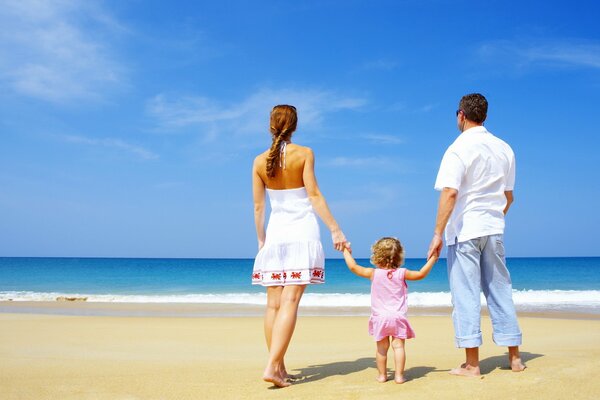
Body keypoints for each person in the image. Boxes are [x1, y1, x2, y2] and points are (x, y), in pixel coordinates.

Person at [427, 93, 526, 377]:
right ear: (484, 115)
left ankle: (472, 364)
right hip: (493, 228)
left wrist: (437, 233)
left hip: (464, 231)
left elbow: (450, 192)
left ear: (461, 115)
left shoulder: (457, 148)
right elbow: (509, 197)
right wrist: (492, 219)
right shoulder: (504, 148)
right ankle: (515, 358)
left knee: (466, 294)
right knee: (500, 290)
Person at [252, 104, 347, 387]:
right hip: (301, 233)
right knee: (290, 301)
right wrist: (335, 229)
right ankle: (272, 366)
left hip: (275, 235)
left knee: (273, 305)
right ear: (294, 126)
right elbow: (314, 195)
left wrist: (261, 240)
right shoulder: (304, 154)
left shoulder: (258, 162)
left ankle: (278, 368)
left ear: (270, 125)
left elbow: (258, 208)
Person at [343, 237, 438, 384]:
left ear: (377, 256)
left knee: (382, 349)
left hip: (380, 318)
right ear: (399, 256)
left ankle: (382, 376)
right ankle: (399, 376)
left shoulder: (373, 273)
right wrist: (433, 258)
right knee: (398, 346)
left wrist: (345, 251)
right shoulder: (402, 273)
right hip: (398, 317)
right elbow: (420, 274)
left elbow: (354, 267)